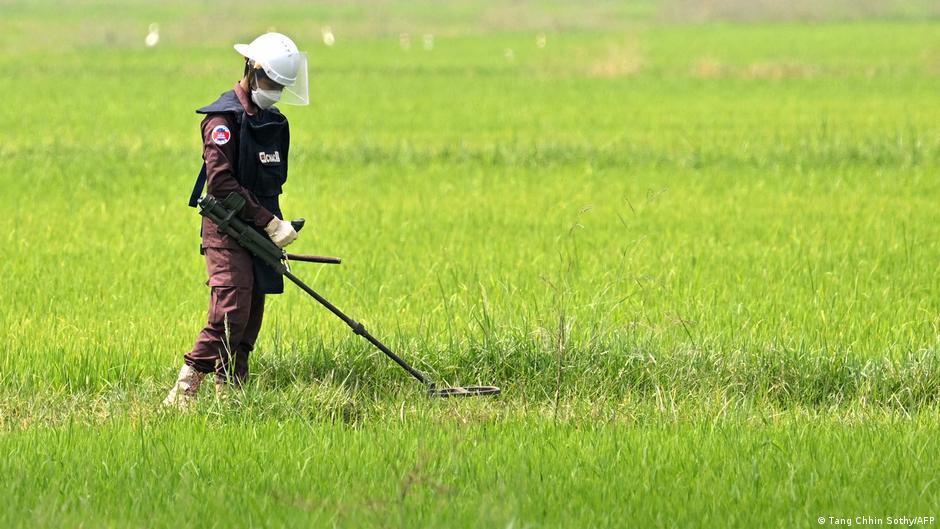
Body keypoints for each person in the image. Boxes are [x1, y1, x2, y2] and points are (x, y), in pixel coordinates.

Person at [164, 32, 310, 407]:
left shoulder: (273, 123)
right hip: (228, 228)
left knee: (253, 313)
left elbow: (270, 183)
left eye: (282, 85)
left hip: (260, 230)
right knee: (230, 309)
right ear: (252, 69)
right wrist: (269, 223)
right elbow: (222, 182)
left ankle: (231, 391)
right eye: (272, 82)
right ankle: (185, 388)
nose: (276, 90)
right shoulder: (222, 120)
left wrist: (276, 224)